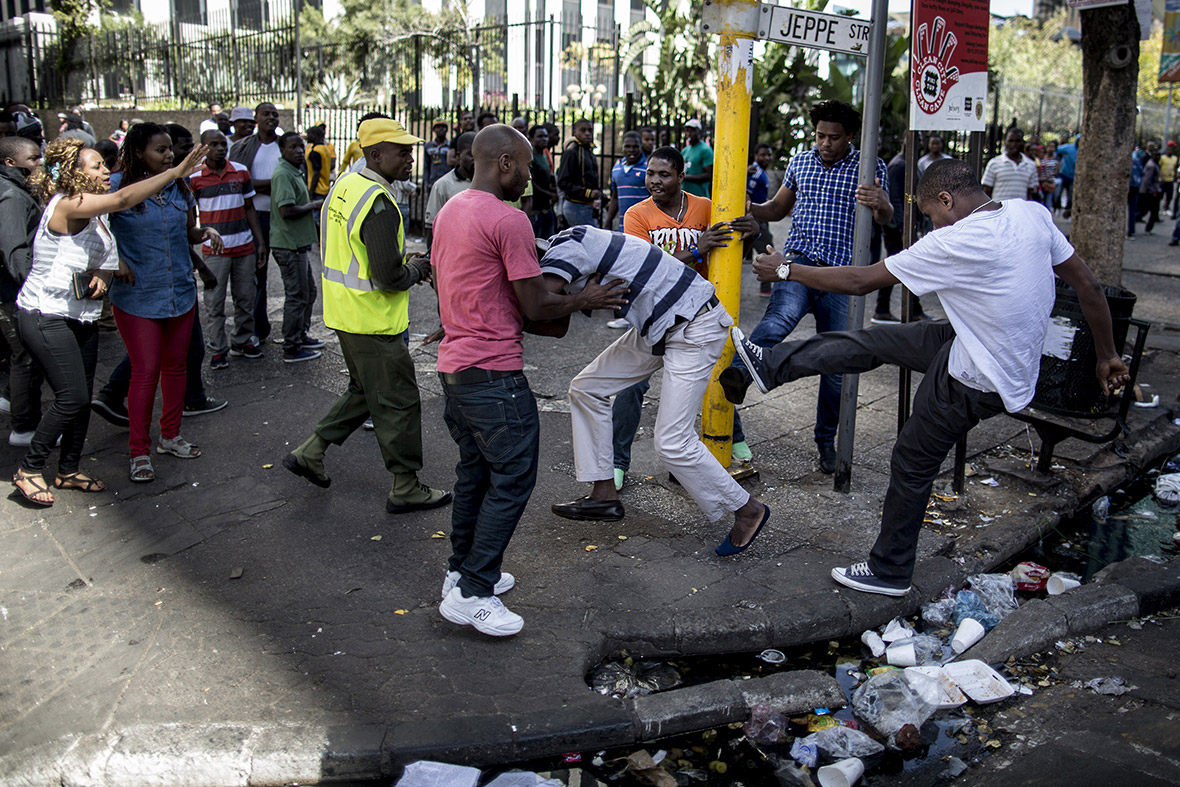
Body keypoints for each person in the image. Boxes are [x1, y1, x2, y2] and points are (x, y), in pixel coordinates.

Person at [721, 158, 1130, 597]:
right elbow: (1087, 286)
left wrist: (786, 270)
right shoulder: (1029, 213)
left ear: (947, 200)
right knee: (874, 343)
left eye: (932, 215)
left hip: (976, 375)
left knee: (912, 462)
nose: (933, 226)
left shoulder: (955, 241)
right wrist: (1107, 355)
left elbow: (861, 281)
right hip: (983, 342)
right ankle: (769, 364)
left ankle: (890, 571)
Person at [431, 124, 627, 637]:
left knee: (476, 473)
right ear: (504, 164)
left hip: (456, 370)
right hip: (494, 375)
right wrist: (588, 298)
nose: (533, 174)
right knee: (513, 478)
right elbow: (537, 304)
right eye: (528, 165)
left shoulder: (451, 210)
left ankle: (462, 572)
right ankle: (474, 591)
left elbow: (474, 288)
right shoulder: (507, 218)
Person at [283, 118, 450, 513]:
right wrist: (418, 269)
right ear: (376, 155)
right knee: (401, 401)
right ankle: (406, 486)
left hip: (346, 316)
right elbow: (389, 277)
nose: (411, 158)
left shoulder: (346, 185)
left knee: (364, 392)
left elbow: (358, 255)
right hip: (373, 322)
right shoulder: (379, 202)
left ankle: (311, 451)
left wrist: (398, 263)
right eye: (402, 151)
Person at [735, 99, 892, 474]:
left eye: (834, 137)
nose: (825, 142)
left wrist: (883, 203)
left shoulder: (870, 167)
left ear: (850, 136)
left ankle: (826, 441)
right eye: (820, 135)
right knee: (779, 319)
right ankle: (743, 372)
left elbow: (885, 219)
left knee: (835, 365)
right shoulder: (800, 162)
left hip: (841, 277)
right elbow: (777, 209)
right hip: (797, 265)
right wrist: (749, 207)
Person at [610, 145, 756, 486]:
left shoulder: (706, 207)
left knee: (712, 376)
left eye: (664, 174)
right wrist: (695, 250)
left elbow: (733, 246)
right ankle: (617, 463)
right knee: (631, 385)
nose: (655, 181)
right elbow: (645, 270)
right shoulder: (637, 215)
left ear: (680, 176)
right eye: (650, 173)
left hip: (697, 312)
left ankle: (733, 439)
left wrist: (753, 232)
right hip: (655, 313)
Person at [108, 124, 221, 483]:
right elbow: (92, 232)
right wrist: (115, 260)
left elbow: (188, 230)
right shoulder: (115, 187)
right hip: (138, 295)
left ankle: (170, 436)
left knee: (177, 367)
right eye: (160, 150)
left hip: (180, 292)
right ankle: (138, 451)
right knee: (145, 371)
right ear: (139, 153)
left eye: (170, 149)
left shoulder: (179, 186)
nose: (169, 155)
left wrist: (205, 232)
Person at [190, 128, 264, 370]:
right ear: (203, 148)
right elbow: (191, 218)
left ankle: (243, 340)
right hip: (215, 251)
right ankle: (218, 349)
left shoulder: (240, 172)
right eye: (214, 144)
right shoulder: (195, 177)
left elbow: (250, 208)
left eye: (223, 144)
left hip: (244, 246)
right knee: (215, 302)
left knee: (245, 296)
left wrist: (259, 241)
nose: (220, 148)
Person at [0, 135, 45, 447]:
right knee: (26, 356)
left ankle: (12, 403)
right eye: (33, 159)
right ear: (11, 162)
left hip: (12, 291)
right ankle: (25, 427)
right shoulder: (12, 197)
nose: (40, 164)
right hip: (13, 293)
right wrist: (34, 289)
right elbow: (15, 252)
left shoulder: (16, 190)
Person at [229, 102, 281, 346]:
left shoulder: (286, 144)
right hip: (255, 218)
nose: (271, 117)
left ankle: (295, 332)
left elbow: (295, 180)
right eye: (266, 113)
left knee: (292, 274)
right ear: (256, 118)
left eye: (275, 114)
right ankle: (256, 328)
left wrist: (259, 184)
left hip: (283, 217)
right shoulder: (242, 147)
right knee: (255, 274)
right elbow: (240, 182)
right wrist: (274, 184)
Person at [270, 131, 324, 363]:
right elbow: (286, 210)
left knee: (308, 292)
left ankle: (301, 335)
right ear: (282, 150)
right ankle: (291, 346)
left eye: (301, 147)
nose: (299, 151)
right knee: (297, 296)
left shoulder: (294, 171)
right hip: (288, 244)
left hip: (299, 243)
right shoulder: (283, 174)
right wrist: (314, 205)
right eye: (292, 147)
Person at [873, 137, 926, 325]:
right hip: (896, 227)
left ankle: (896, 309)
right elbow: (894, 198)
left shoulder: (911, 164)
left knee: (902, 267)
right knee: (899, 267)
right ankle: (893, 309)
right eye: (913, 139)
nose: (916, 143)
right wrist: (903, 227)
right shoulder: (898, 165)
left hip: (903, 225)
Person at [424, 131, 474, 250]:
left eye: (479, 154)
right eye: (470, 155)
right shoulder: (442, 185)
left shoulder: (488, 184)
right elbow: (431, 226)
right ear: (458, 156)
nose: (475, 159)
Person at [556, 118, 601, 228]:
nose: (587, 133)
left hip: (588, 206)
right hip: (576, 206)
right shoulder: (571, 152)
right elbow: (563, 182)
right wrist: (587, 193)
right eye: (583, 130)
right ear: (575, 132)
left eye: (590, 130)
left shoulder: (589, 152)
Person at [604, 130, 648, 232]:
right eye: (627, 146)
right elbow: (615, 198)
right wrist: (607, 223)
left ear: (641, 147)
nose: (631, 150)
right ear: (622, 147)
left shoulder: (648, 169)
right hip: (622, 227)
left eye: (635, 146)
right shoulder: (616, 169)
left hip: (643, 227)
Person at [746, 142, 775, 296]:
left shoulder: (761, 172)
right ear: (756, 156)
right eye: (763, 154)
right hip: (756, 218)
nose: (767, 158)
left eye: (769, 154)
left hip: (761, 217)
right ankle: (766, 288)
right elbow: (746, 193)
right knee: (767, 251)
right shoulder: (755, 173)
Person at [981, 128, 1039, 203]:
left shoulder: (1031, 165)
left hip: (1020, 211)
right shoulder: (994, 163)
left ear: (1023, 143)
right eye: (1011, 141)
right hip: (999, 211)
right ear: (1005, 142)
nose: (1014, 144)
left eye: (1017, 141)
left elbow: (1030, 193)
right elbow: (987, 191)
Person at [527, 125, 556, 238]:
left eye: (545, 136)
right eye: (539, 136)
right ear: (531, 139)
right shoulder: (530, 158)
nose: (544, 139)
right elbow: (531, 183)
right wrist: (550, 195)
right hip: (535, 210)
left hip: (546, 208)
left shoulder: (544, 155)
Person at [303, 123, 336, 208]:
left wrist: (310, 192)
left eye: (309, 134)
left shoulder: (315, 152)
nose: (307, 137)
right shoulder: (326, 149)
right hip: (325, 188)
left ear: (315, 135)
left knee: (316, 217)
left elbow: (316, 173)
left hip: (317, 189)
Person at [681, 119, 713, 198]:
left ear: (699, 132)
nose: (689, 133)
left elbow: (709, 175)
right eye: (687, 131)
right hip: (685, 195)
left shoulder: (705, 150)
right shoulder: (685, 150)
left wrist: (686, 177)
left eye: (692, 130)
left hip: (699, 196)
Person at [423, 117, 452, 191]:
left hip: (448, 182)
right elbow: (426, 166)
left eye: (443, 127)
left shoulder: (451, 146)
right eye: (438, 127)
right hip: (433, 182)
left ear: (447, 129)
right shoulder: (428, 146)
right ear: (433, 130)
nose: (440, 129)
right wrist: (427, 182)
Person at [1139, 148, 1162, 235]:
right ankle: (1147, 227)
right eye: (1156, 155)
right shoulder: (1151, 166)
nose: (1157, 157)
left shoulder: (1153, 164)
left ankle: (1147, 226)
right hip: (1151, 192)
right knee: (1149, 210)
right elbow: (1147, 180)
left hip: (1152, 191)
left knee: (1149, 210)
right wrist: (1148, 191)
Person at [1056, 134, 1078, 217]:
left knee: (1070, 196)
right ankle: (1057, 209)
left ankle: (1067, 212)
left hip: (1073, 177)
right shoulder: (1068, 148)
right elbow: (1056, 150)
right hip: (1063, 174)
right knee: (1058, 194)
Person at [1037, 140, 1060, 213]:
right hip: (1041, 182)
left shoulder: (1057, 159)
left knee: (1048, 201)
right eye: (1049, 146)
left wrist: (1049, 177)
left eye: (1053, 147)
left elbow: (1056, 171)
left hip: (1050, 182)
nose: (1051, 148)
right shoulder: (1042, 158)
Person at [1160, 140, 1177, 218]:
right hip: (1162, 180)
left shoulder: (1175, 158)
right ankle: (1158, 210)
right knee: (1160, 196)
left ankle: (1166, 208)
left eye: (1173, 147)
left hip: (1170, 180)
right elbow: (1158, 167)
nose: (1171, 149)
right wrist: (1161, 176)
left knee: (1169, 196)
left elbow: (1175, 168)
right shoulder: (1162, 158)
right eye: (1170, 147)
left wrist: (1175, 176)